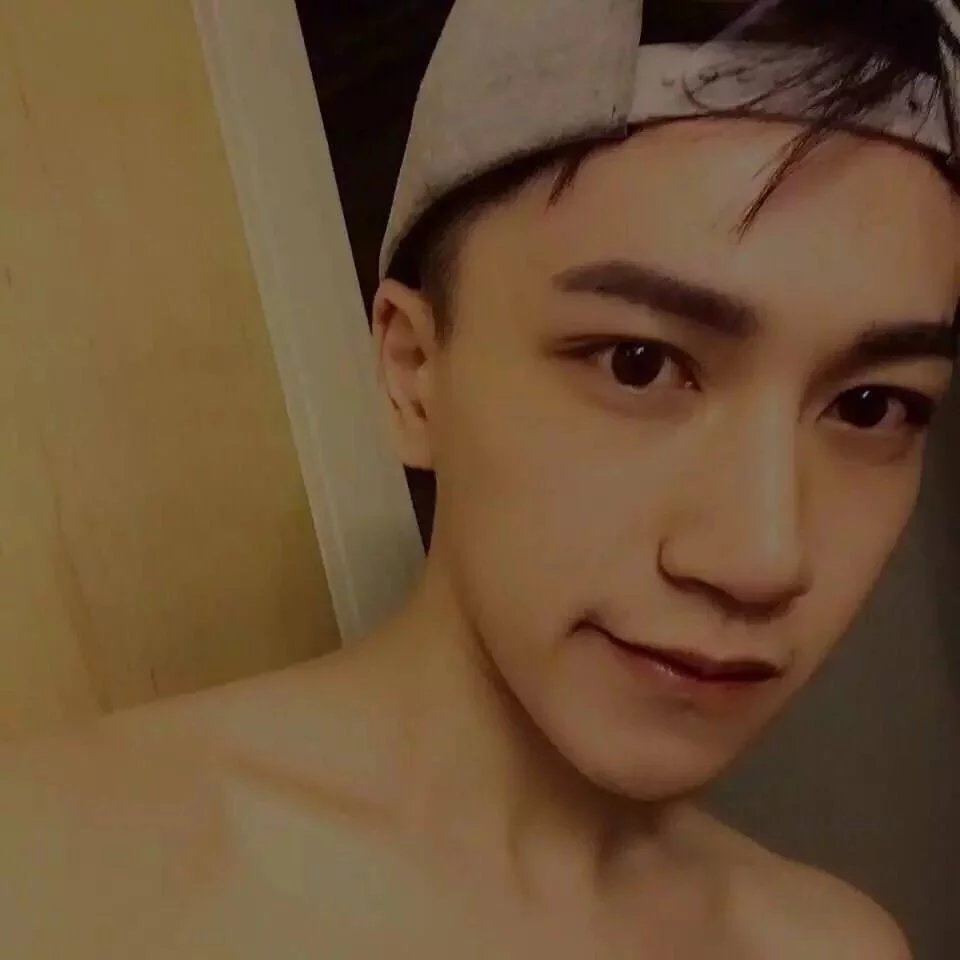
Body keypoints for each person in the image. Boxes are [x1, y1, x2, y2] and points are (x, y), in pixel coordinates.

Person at [3, 1, 958, 956]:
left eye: (872, 406)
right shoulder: (54, 875)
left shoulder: (831, 946)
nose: (762, 556)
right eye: (637, 363)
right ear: (413, 372)